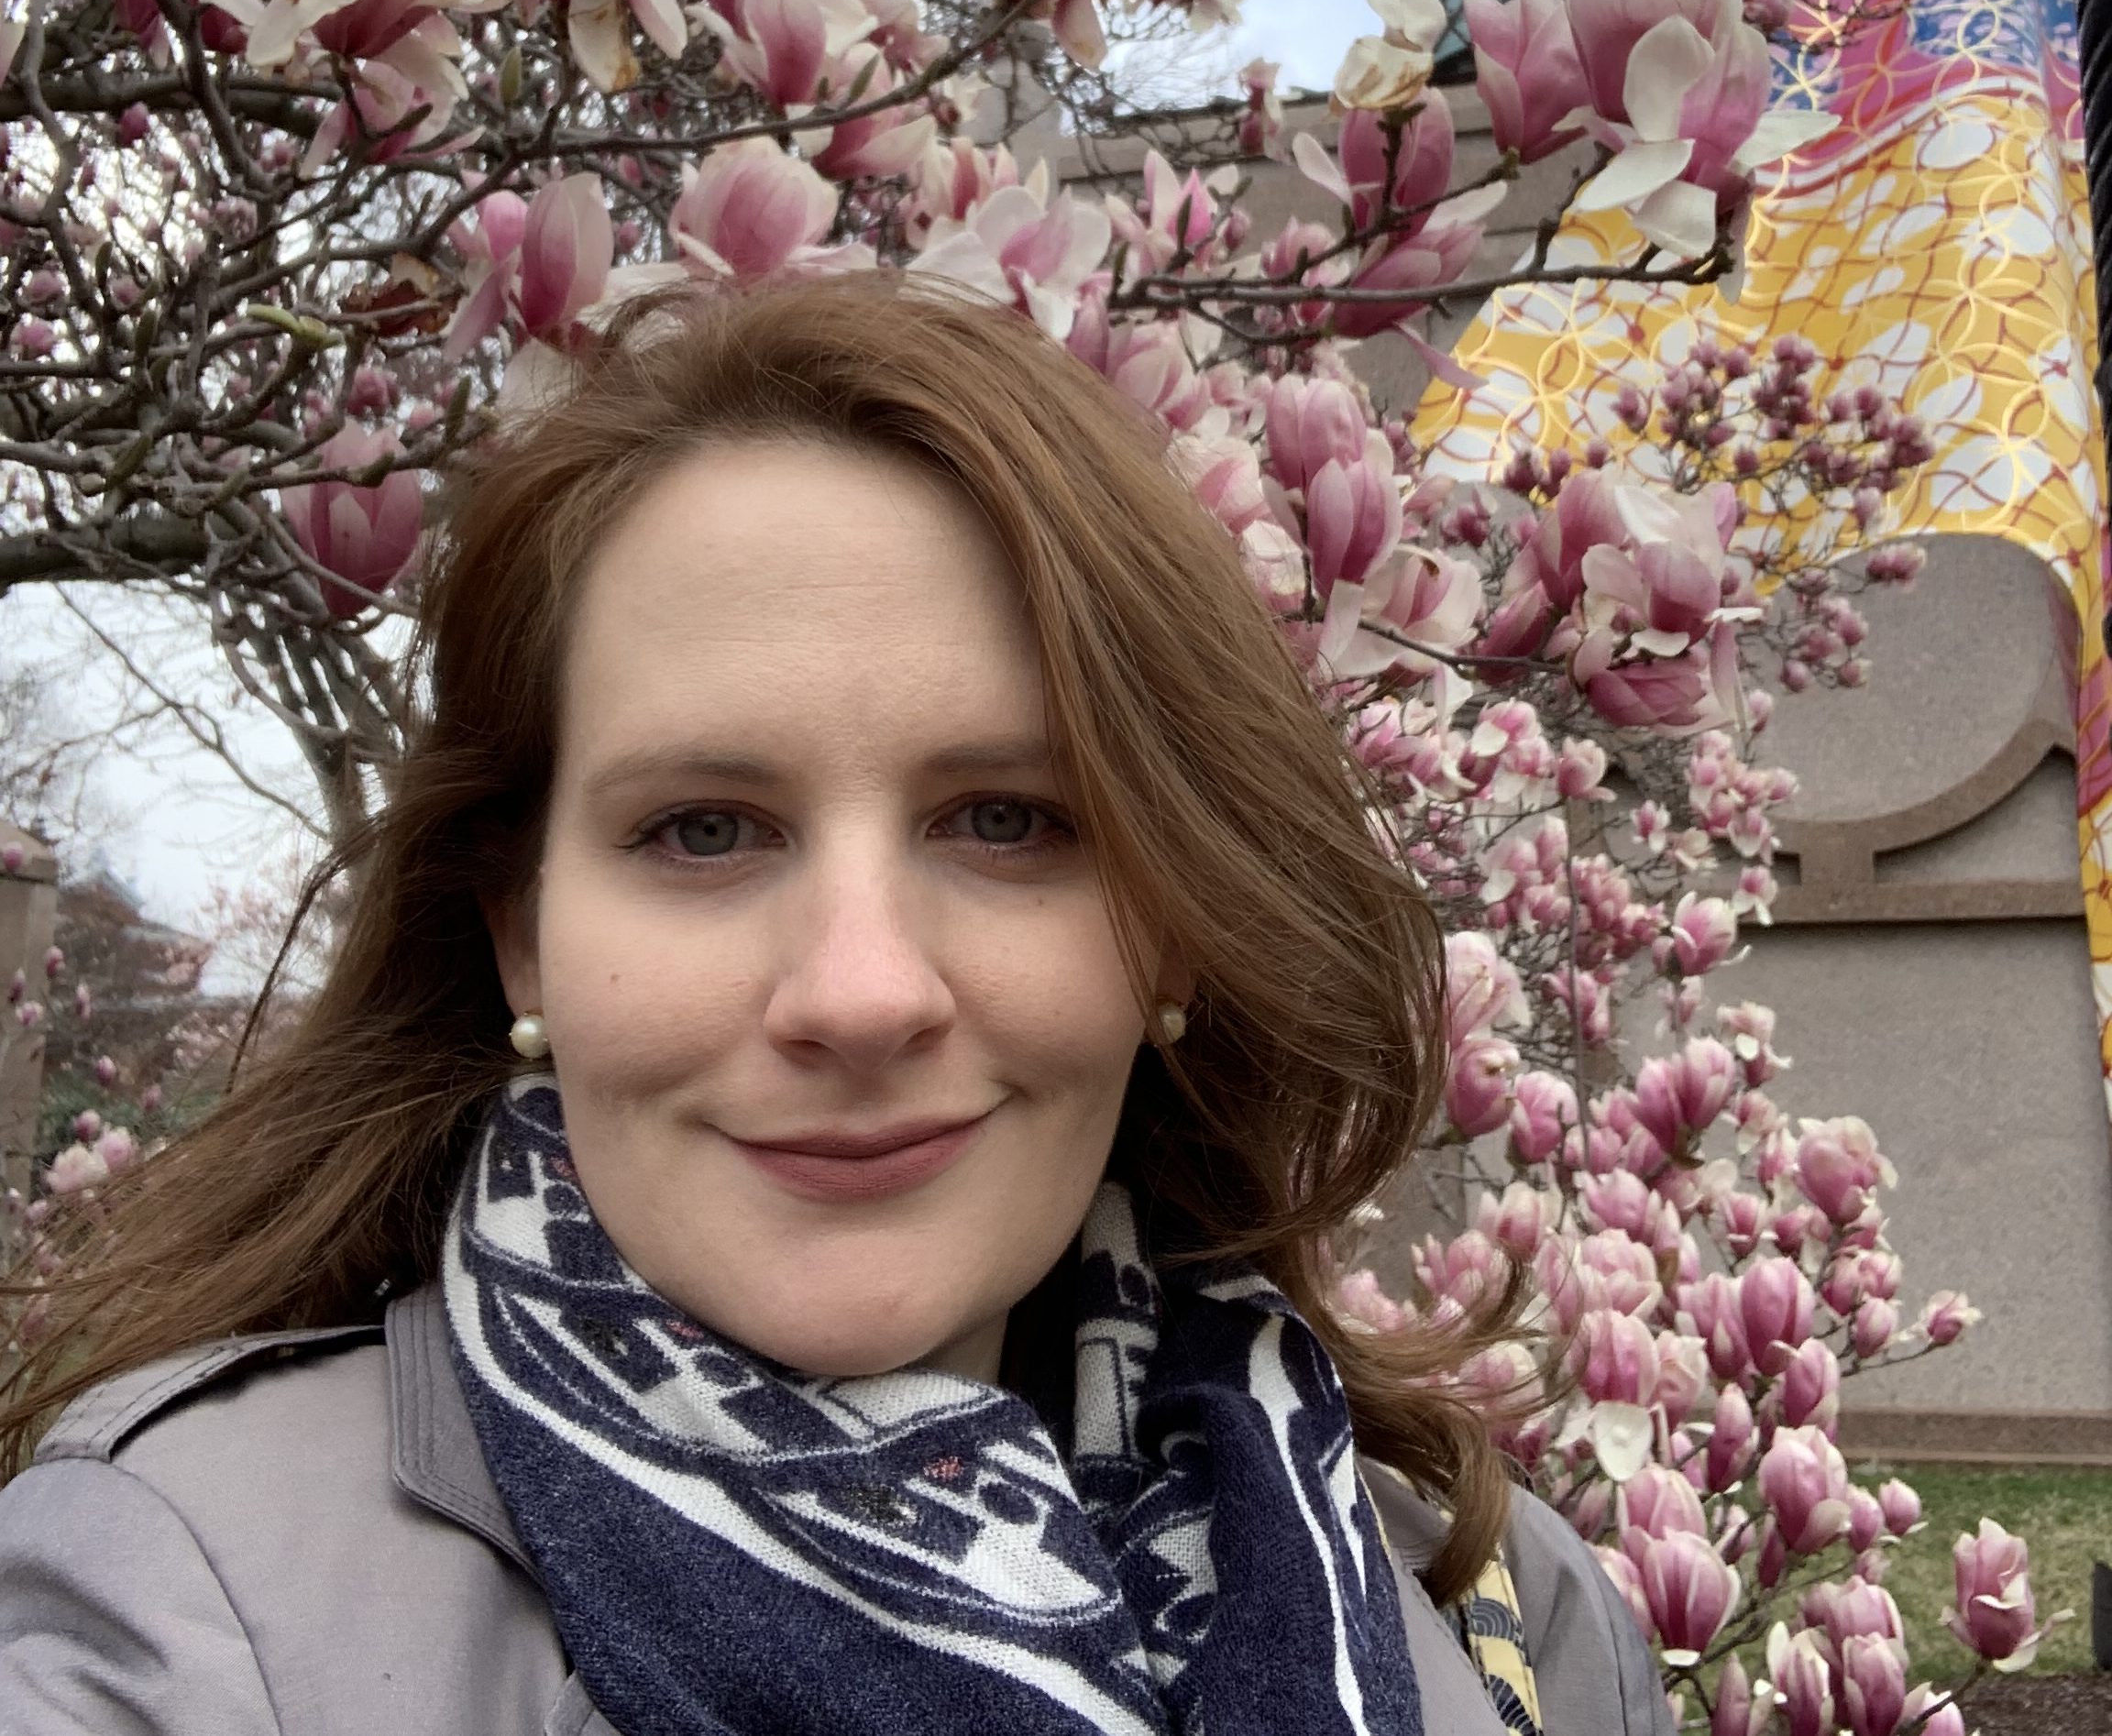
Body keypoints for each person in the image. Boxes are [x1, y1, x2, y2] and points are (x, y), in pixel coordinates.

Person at [0, 277, 1671, 1736]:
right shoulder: (187, 1606)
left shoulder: (1495, 1607)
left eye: (1007, 819)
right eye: (704, 831)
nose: (861, 991)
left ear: (1167, 928)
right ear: (522, 941)